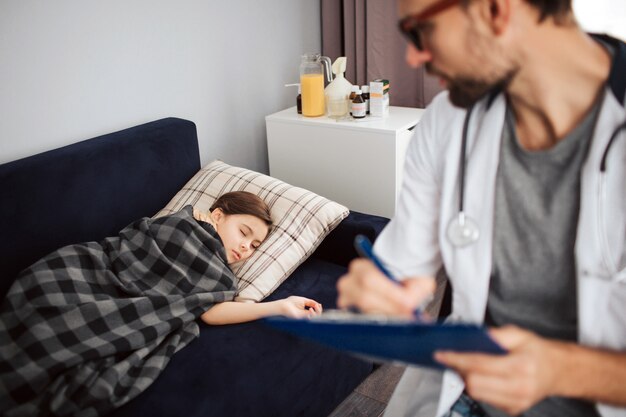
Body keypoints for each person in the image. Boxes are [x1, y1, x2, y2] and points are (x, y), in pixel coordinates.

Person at [336, 0, 626, 416]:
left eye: (421, 31)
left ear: (495, 9)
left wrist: (562, 371)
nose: (414, 57)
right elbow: (402, 270)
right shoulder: (447, 122)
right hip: (468, 396)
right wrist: (382, 298)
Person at [0, 190, 322, 416]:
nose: (245, 248)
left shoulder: (221, 276)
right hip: (86, 268)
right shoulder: (178, 225)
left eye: (254, 245)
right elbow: (136, 245)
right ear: (218, 215)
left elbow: (210, 312)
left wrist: (279, 305)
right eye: (243, 231)